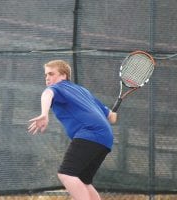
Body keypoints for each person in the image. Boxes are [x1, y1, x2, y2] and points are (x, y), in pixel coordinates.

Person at [28, 60, 117, 200]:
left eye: (51, 74)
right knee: (83, 180)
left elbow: (48, 93)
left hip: (90, 134)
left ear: (63, 75)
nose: (47, 78)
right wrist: (112, 114)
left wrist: (44, 113)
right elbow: (111, 117)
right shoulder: (83, 91)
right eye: (46, 75)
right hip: (105, 138)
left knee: (66, 174)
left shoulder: (57, 88)